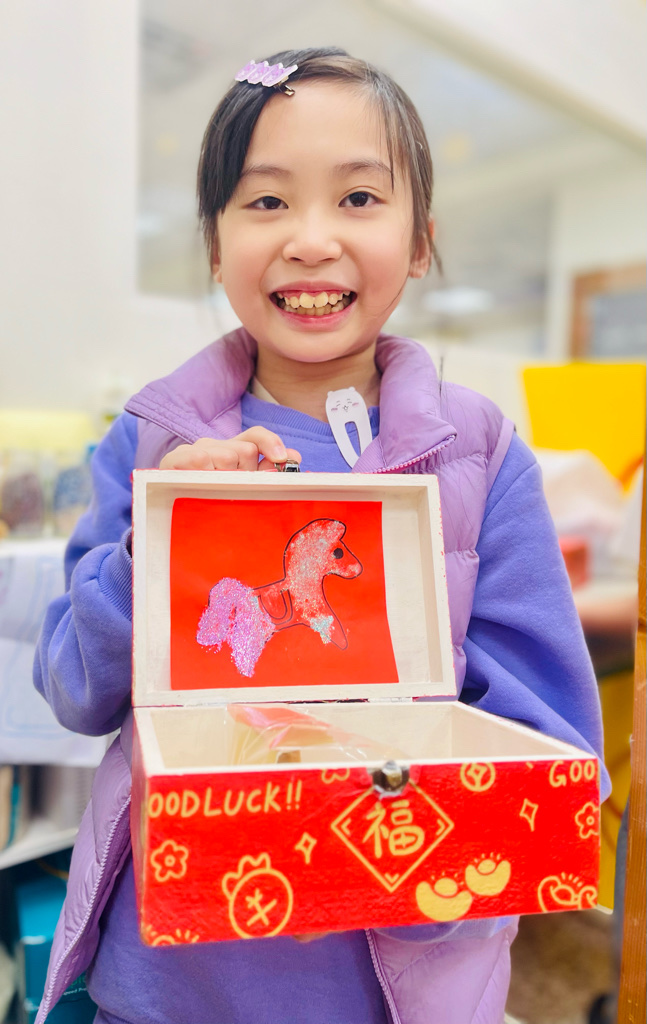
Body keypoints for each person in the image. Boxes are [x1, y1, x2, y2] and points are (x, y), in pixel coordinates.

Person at [34, 47, 609, 1024]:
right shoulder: (150, 441)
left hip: (386, 988)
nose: (309, 239)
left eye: (357, 198)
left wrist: (359, 847)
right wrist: (157, 542)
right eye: (265, 202)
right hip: (165, 982)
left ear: (418, 242)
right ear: (213, 244)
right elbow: (72, 689)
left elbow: (554, 756)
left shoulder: (477, 455)